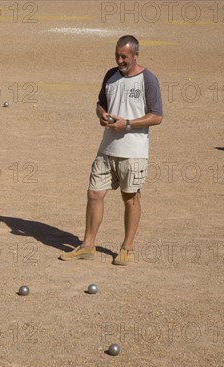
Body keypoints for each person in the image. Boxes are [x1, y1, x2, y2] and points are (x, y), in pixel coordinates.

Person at [60, 35, 163, 265]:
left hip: (133, 152)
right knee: (94, 194)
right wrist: (101, 115)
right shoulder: (110, 75)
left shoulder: (148, 80)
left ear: (136, 55)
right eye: (117, 55)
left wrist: (126, 123)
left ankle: (127, 247)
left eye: (124, 56)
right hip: (107, 148)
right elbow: (100, 103)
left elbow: (157, 116)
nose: (120, 60)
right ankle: (87, 245)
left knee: (130, 198)